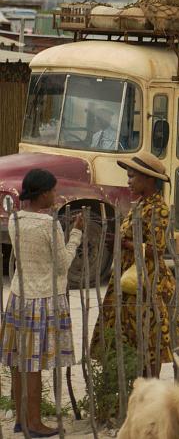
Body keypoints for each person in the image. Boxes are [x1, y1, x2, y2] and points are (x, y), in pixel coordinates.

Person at [91, 152, 179, 378]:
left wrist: (125, 243)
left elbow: (157, 250)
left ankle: (151, 390)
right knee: (132, 337)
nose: (128, 181)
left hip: (146, 281)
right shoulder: (140, 205)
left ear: (148, 179)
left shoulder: (159, 209)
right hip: (129, 277)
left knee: (149, 340)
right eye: (128, 176)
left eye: (132, 177)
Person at [0, 169, 83, 437]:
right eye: (54, 191)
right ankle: (34, 423)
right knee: (33, 365)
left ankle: (21, 418)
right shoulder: (49, 225)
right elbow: (62, 265)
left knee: (19, 362)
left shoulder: (14, 220)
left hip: (18, 298)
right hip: (42, 300)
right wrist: (76, 235)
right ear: (43, 193)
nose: (56, 196)